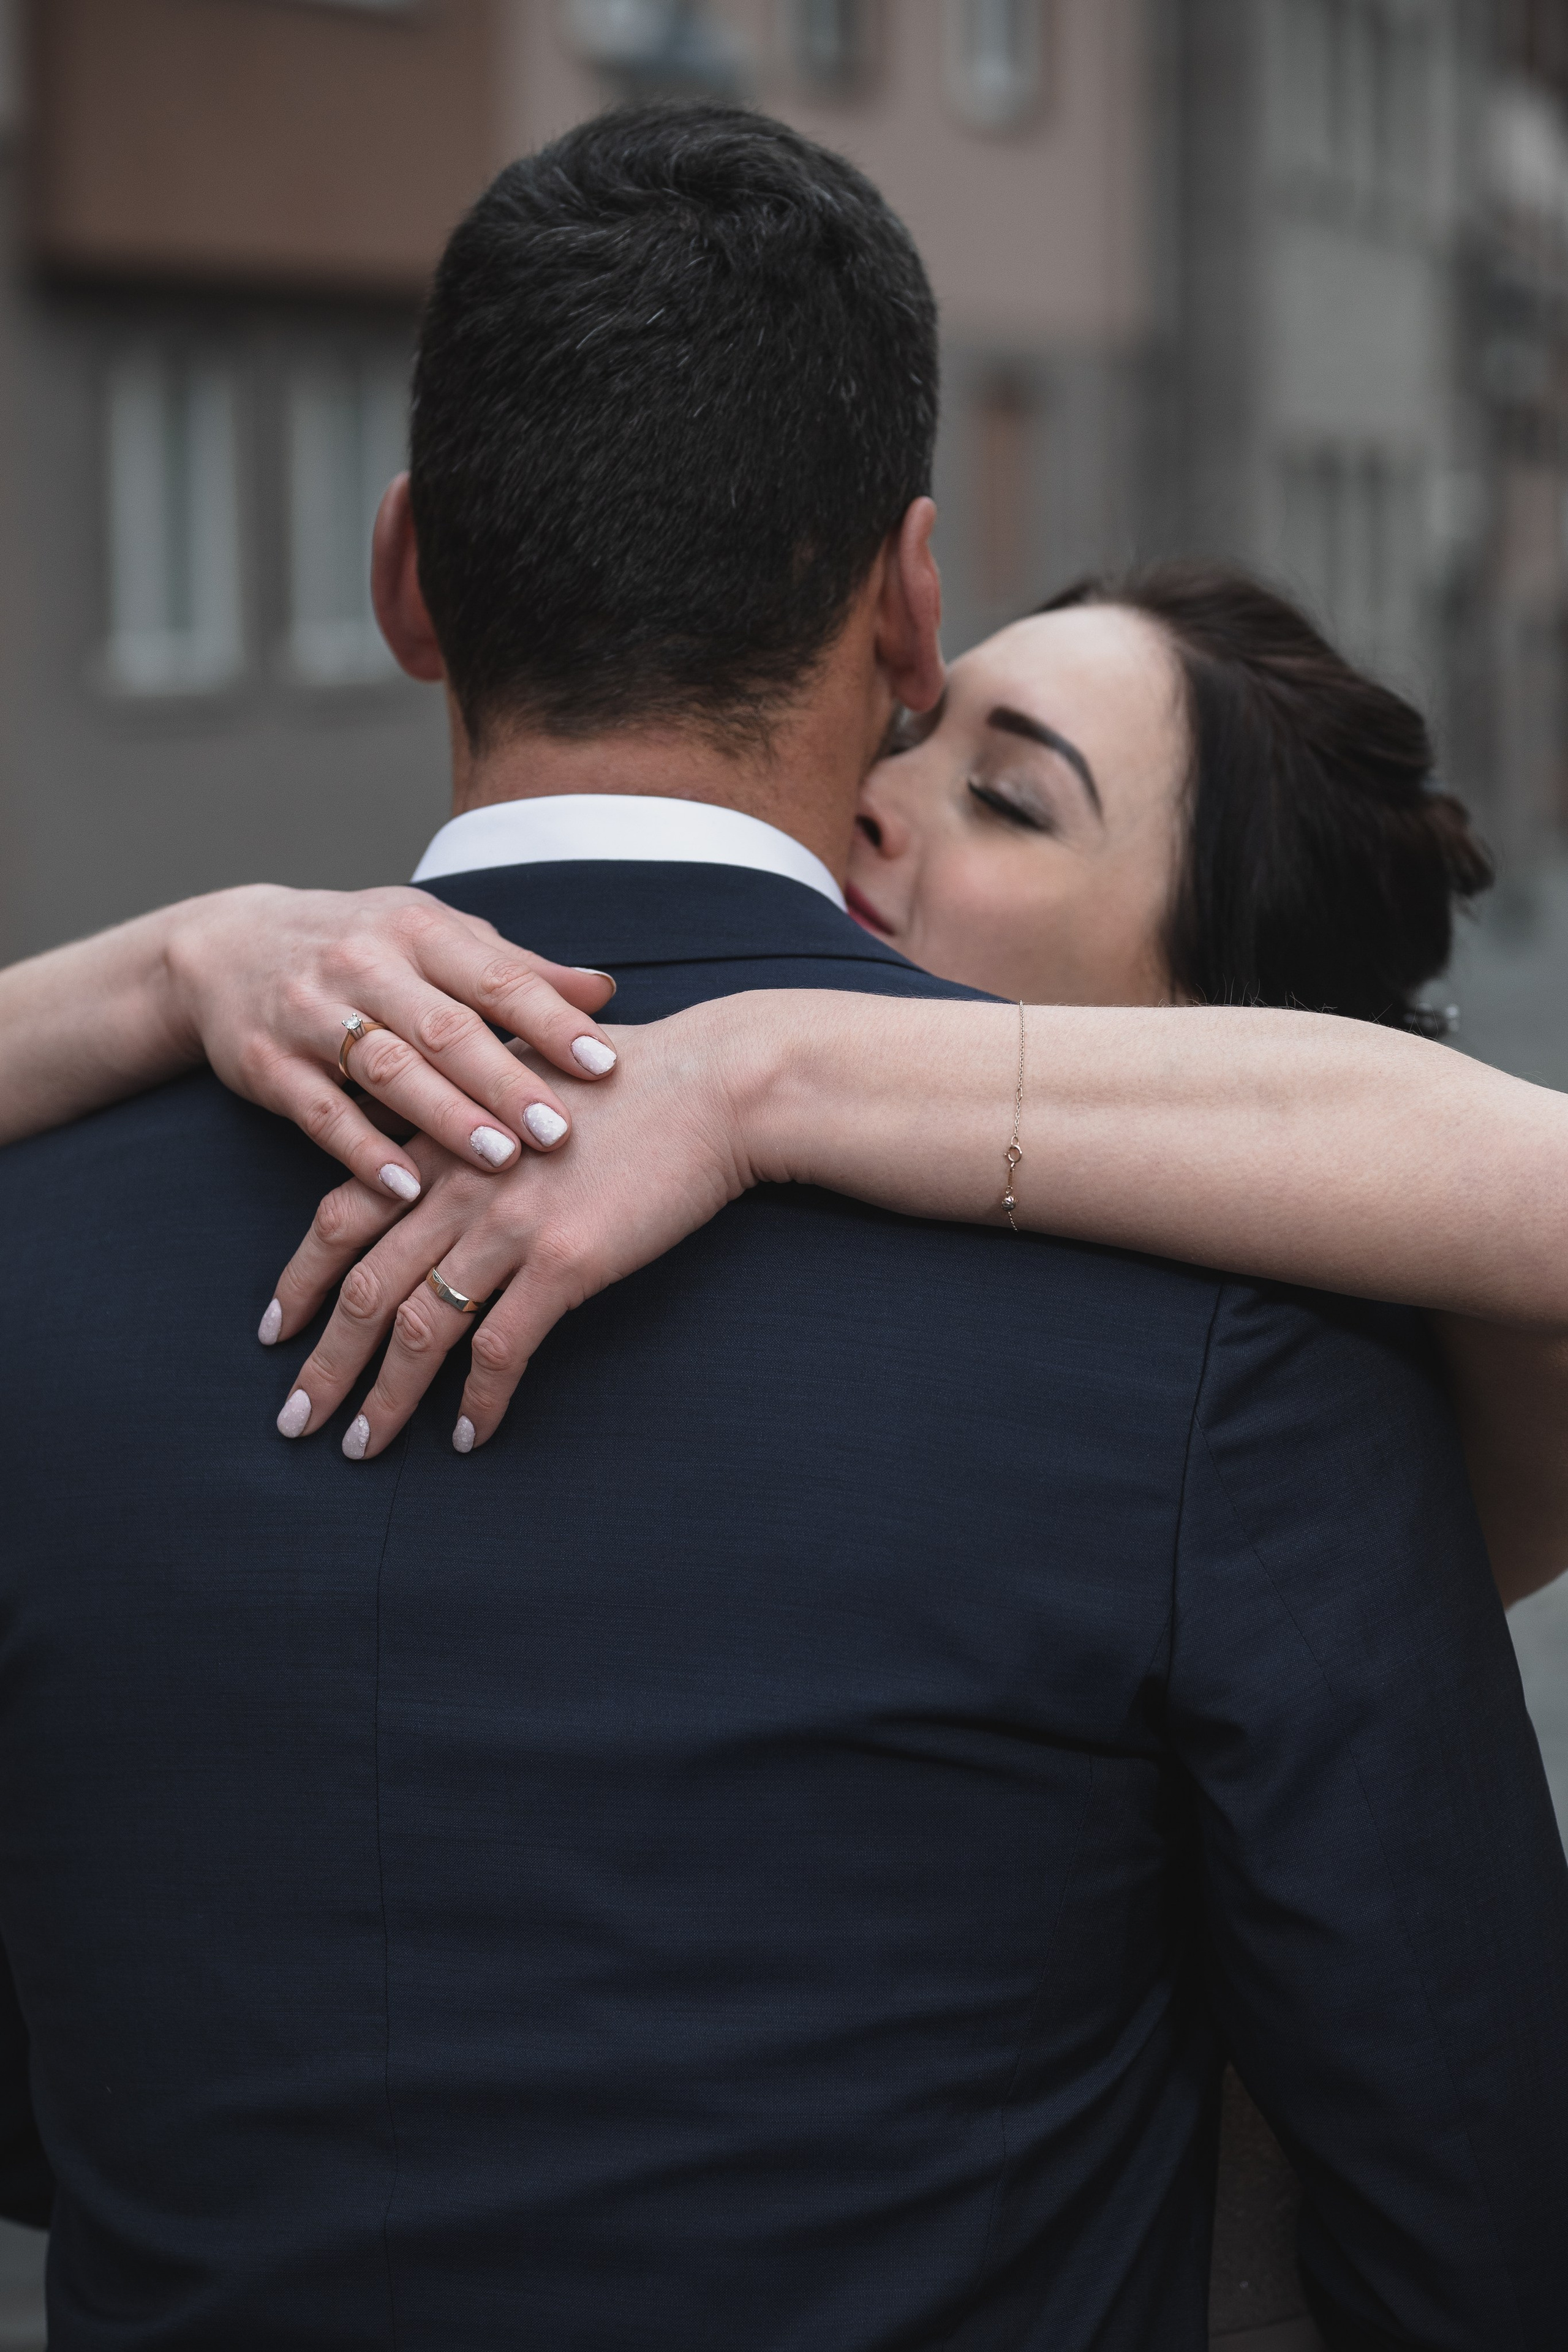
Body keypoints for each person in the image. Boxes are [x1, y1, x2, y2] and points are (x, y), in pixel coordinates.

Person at [1, 101, 1566, 2351]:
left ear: (408, 573)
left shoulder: (56, 1244)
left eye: (1031, 806)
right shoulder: (1224, 1354)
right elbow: (1474, 2199)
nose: (908, 828)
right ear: (907, 609)